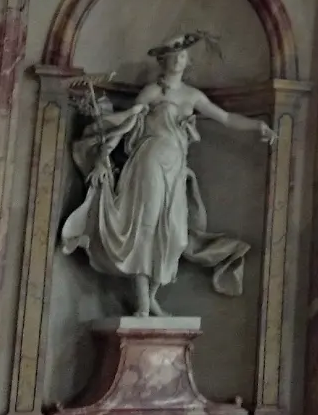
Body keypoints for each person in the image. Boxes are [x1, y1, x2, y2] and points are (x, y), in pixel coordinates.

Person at [59, 33, 276, 317]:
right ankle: (143, 303)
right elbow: (128, 123)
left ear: (188, 61)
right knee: (145, 228)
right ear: (163, 60)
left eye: (182, 55)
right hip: (149, 162)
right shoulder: (152, 92)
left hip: (175, 170)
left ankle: (151, 298)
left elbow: (225, 118)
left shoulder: (192, 95)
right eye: (173, 55)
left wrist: (257, 125)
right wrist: (102, 157)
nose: (178, 60)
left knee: (175, 236)